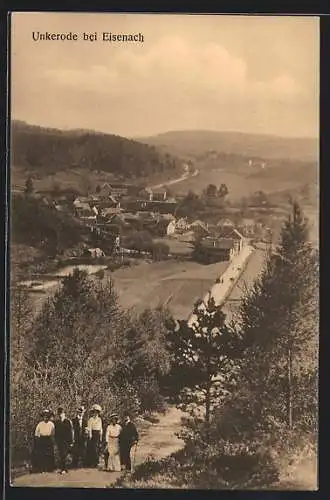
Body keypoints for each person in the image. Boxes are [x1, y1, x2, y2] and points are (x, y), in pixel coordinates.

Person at [54, 407, 73, 474]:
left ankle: (64, 468)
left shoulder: (68, 422)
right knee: (62, 454)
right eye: (59, 414)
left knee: (64, 455)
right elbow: (55, 432)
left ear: (64, 414)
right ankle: (63, 468)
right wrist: (56, 440)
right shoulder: (57, 422)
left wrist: (71, 442)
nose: (60, 415)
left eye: (61, 413)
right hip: (60, 441)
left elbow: (70, 432)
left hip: (66, 441)